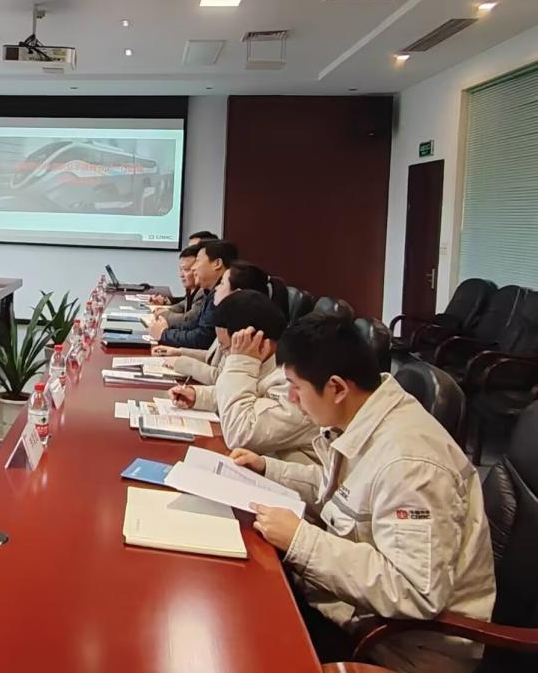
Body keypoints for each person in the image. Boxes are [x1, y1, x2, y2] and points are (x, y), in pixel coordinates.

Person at [231, 315, 495, 673]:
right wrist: (268, 468)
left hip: (398, 651)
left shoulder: (410, 465)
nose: (292, 399)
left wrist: (300, 540)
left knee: (246, 641)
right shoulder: (366, 416)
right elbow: (343, 491)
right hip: (356, 614)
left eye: (296, 387)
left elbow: (415, 592)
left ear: (337, 388)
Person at [169, 290, 316, 463]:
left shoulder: (294, 382)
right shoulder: (266, 363)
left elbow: (240, 435)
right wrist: (199, 396)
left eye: (226, 348)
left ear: (258, 343)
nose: (226, 356)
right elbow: (248, 398)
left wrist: (241, 362)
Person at [158, 260, 270, 384]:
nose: (216, 288)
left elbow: (220, 377)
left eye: (222, 284)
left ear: (237, 293)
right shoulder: (229, 317)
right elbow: (212, 357)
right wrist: (178, 352)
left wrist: (180, 362)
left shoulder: (245, 329)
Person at [150, 240, 237, 349]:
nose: (194, 268)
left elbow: (202, 339)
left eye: (198, 261)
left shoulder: (221, 295)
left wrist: (164, 334)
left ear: (217, 264)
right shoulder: (209, 292)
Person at [152, 245, 202, 327]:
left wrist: (165, 315)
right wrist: (166, 309)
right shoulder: (191, 289)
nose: (181, 275)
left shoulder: (203, 292)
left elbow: (189, 320)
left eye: (186, 270)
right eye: (181, 270)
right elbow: (183, 304)